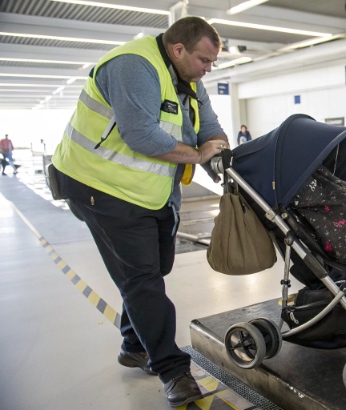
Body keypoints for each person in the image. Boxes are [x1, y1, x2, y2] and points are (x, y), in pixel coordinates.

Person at [50, 16, 228, 408]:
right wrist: (199, 154)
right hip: (98, 186)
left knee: (154, 269)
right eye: (204, 60)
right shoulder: (133, 66)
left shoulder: (189, 79)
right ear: (178, 49)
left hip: (149, 193)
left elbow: (210, 127)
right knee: (142, 278)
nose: (208, 69)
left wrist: (219, 151)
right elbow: (142, 136)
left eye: (213, 62)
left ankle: (134, 345)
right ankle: (172, 370)